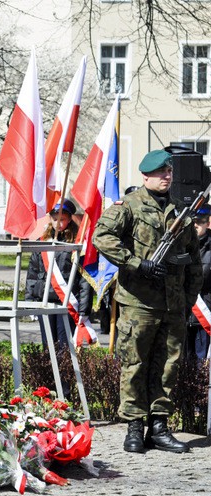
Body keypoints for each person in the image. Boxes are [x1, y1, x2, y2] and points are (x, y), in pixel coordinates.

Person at [94, 149, 202, 454]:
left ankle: (159, 427)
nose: (167, 176)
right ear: (145, 176)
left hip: (173, 304)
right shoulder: (128, 206)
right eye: (160, 173)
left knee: (168, 366)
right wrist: (136, 263)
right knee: (135, 364)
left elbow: (193, 261)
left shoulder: (181, 211)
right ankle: (134, 427)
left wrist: (188, 299)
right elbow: (102, 237)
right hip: (139, 302)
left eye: (169, 172)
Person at [25, 200, 92, 351]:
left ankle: (65, 374)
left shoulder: (77, 242)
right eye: (55, 219)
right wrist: (30, 301)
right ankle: (48, 374)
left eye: (62, 219)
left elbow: (84, 278)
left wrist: (84, 309)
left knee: (64, 346)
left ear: (69, 219)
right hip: (44, 300)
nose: (58, 223)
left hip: (67, 302)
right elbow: (32, 274)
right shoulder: (42, 242)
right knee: (48, 345)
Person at [186, 206, 211, 359]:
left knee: (202, 362)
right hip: (182, 312)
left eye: (200, 221)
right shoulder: (179, 245)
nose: (195, 225)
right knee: (182, 361)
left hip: (205, 312)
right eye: (192, 221)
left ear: (208, 223)